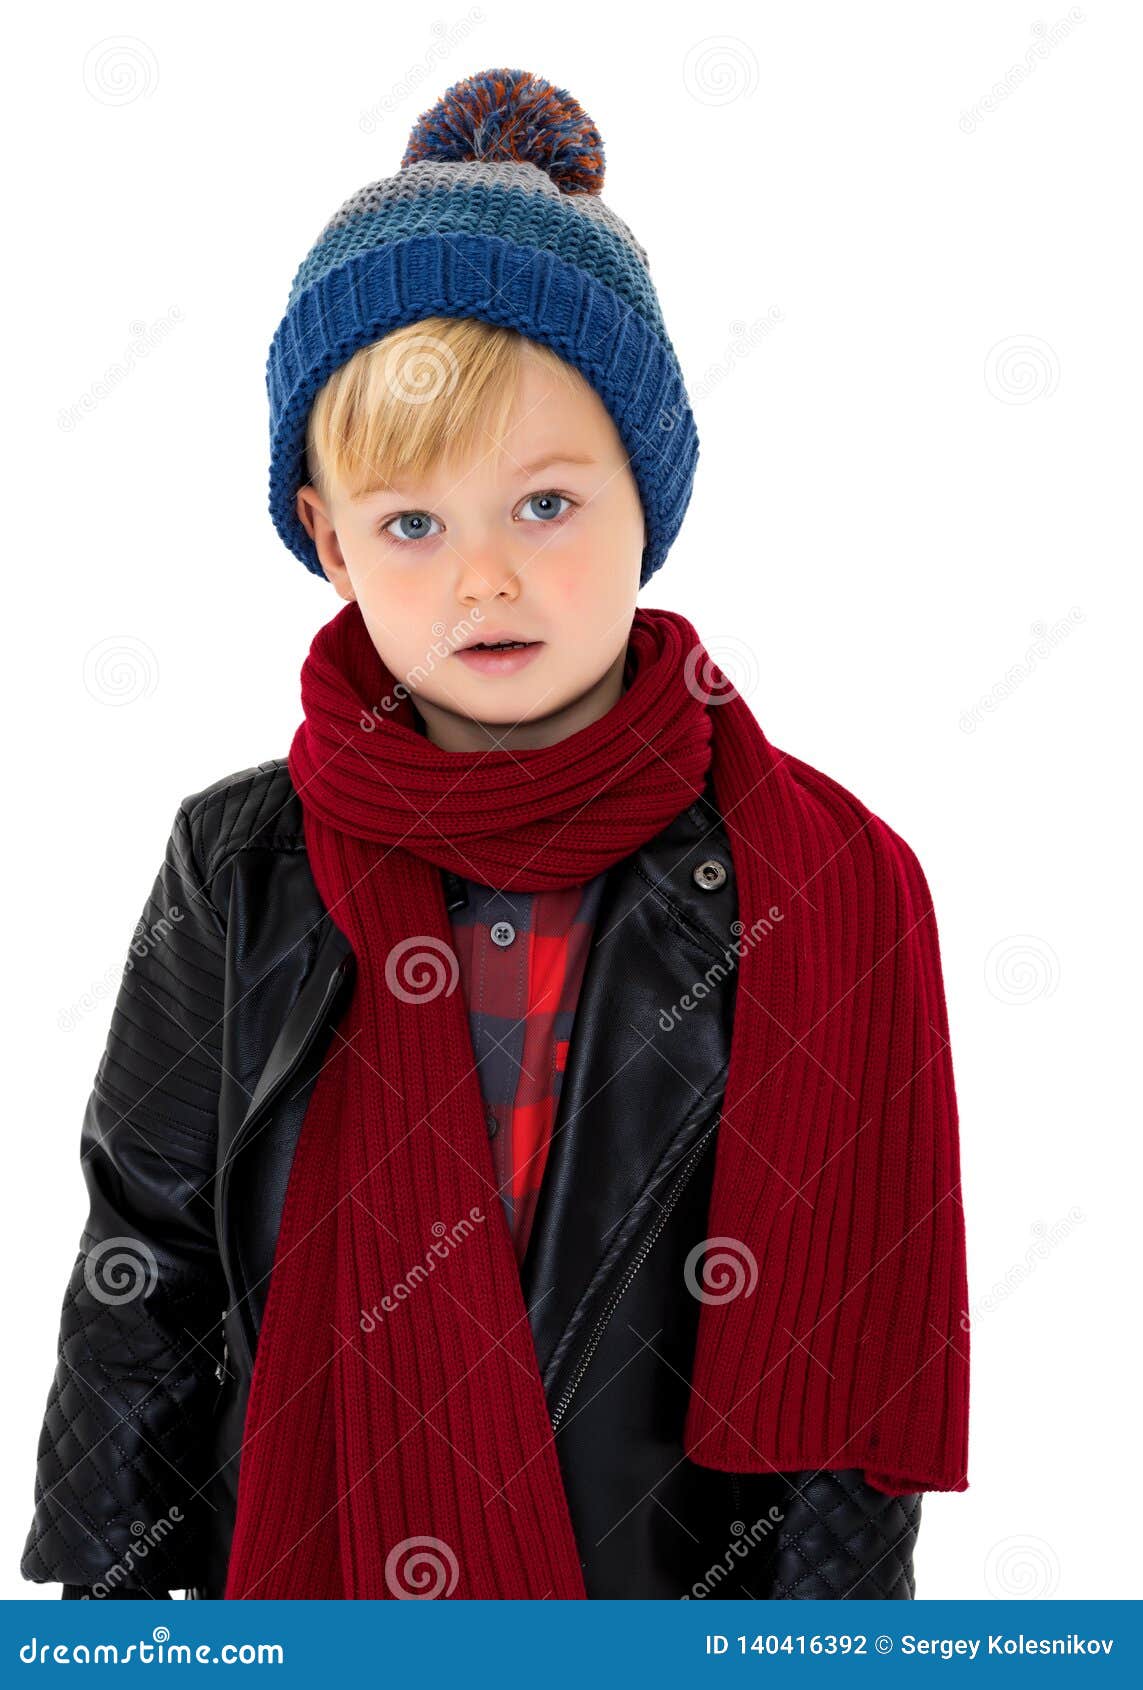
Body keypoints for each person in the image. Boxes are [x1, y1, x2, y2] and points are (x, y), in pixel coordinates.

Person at [21, 66, 968, 1602]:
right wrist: (113, 1612)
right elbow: (147, 1266)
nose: (485, 580)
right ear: (328, 539)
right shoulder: (238, 866)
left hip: (662, 1603)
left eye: (544, 504)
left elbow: (853, 1366)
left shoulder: (833, 882)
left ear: (647, 498)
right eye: (413, 523)